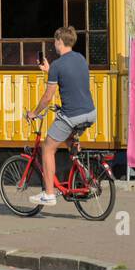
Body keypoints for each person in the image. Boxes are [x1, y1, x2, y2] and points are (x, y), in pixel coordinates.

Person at [24, 26, 97, 207]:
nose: (54, 45)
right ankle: (85, 177)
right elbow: (71, 79)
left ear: (59, 41)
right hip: (90, 113)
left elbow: (48, 97)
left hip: (72, 115)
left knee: (48, 148)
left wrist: (34, 113)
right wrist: (50, 71)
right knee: (70, 140)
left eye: (55, 42)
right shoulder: (80, 58)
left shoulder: (57, 65)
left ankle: (49, 194)